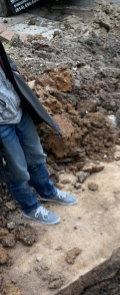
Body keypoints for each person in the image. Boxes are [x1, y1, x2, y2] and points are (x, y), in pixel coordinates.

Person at [0, 40, 77, 226]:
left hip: (17, 107)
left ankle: (47, 192)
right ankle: (30, 207)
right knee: (16, 168)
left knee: (35, 154)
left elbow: (4, 56)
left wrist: (14, 69)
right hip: (1, 123)